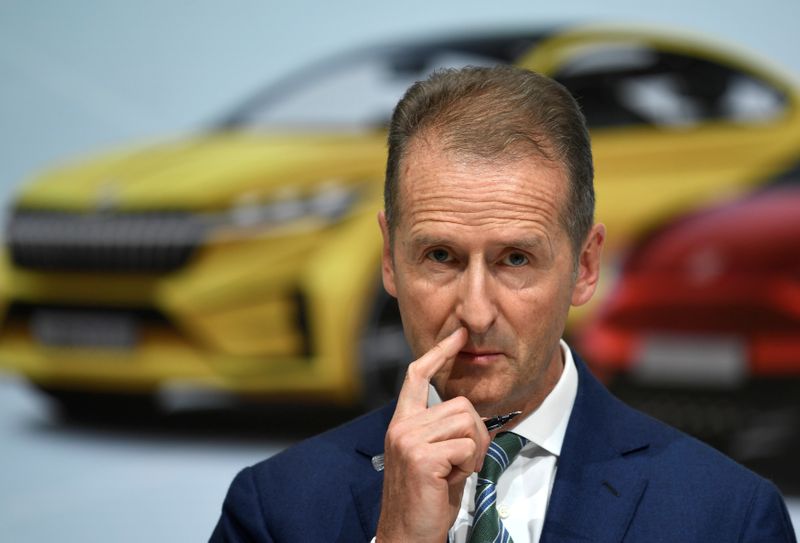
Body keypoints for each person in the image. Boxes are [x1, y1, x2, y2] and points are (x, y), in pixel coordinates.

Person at [210, 66, 797, 542]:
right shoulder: (273, 511)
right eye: (440, 256)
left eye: (515, 259)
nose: (476, 311)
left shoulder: (727, 518)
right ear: (390, 260)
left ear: (585, 267)